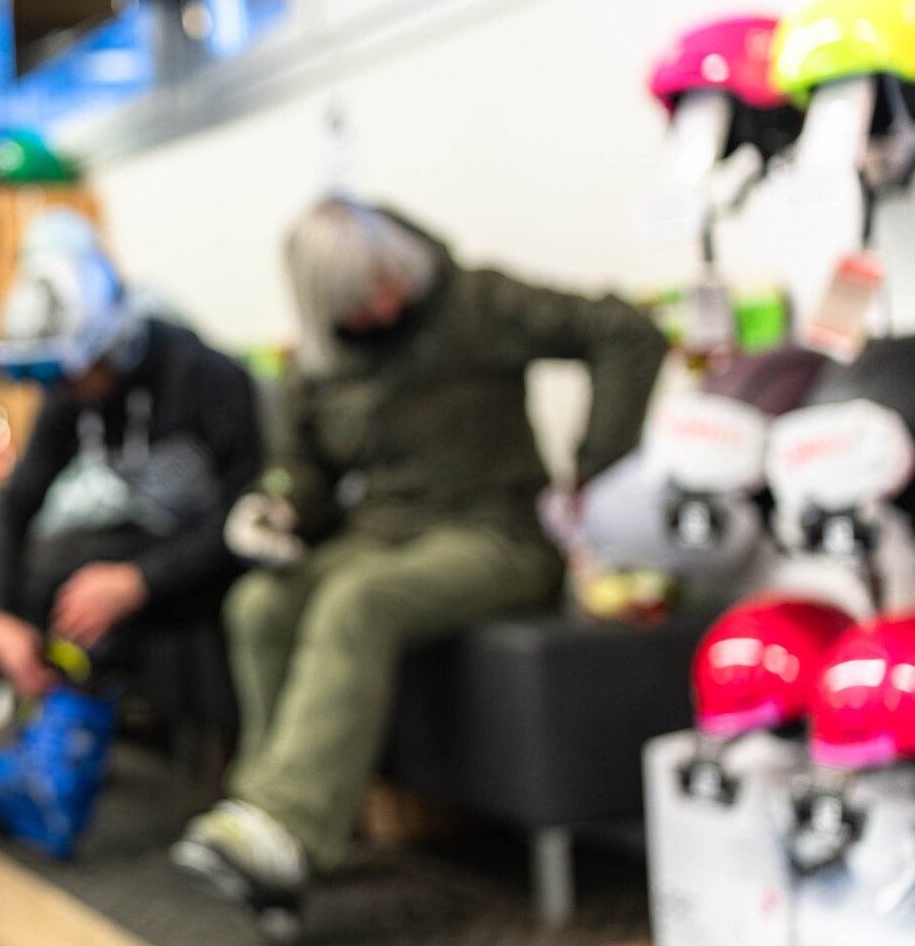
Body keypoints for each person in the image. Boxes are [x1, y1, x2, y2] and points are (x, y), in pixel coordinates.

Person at [171, 197, 666, 936]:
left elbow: (627, 333)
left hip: (493, 535)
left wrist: (592, 471)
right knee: (260, 604)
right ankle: (263, 827)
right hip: (383, 530)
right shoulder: (318, 361)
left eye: (385, 280)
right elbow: (298, 469)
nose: (383, 302)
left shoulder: (477, 302)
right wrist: (275, 510)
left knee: (358, 599)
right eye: (357, 299)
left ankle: (286, 827)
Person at [0, 209, 263, 857]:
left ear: (112, 340)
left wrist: (137, 582)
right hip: (135, 548)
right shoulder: (78, 389)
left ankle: (52, 788)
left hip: (218, 561)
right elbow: (15, 506)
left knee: (88, 580)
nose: (64, 390)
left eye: (70, 373)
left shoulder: (210, 379)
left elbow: (246, 515)